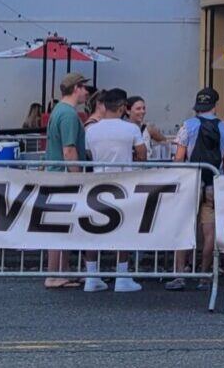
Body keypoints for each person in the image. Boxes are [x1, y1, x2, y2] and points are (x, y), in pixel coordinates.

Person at [166, 87, 224, 291]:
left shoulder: (188, 126)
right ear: (215, 105)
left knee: (184, 227)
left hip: (191, 183)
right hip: (215, 184)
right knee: (209, 232)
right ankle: (205, 275)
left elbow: (179, 157)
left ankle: (180, 273)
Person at [83, 88, 146, 293]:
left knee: (93, 230)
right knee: (124, 229)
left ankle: (92, 275)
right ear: (121, 107)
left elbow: (89, 154)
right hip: (124, 182)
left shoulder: (91, 130)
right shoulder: (131, 129)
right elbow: (142, 154)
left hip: (97, 182)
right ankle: (122, 275)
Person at [43, 72, 90, 289]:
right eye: (84, 87)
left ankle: (61, 271)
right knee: (61, 227)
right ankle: (55, 274)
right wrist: (77, 175)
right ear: (76, 88)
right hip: (63, 176)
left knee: (61, 226)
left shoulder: (58, 112)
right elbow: (69, 150)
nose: (87, 92)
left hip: (55, 174)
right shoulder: (69, 115)